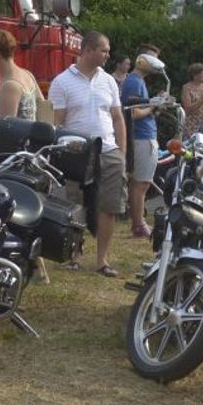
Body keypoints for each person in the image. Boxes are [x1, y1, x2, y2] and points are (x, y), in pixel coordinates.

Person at [48, 31, 127, 277]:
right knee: (76, 205)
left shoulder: (109, 81)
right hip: (77, 152)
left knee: (109, 206)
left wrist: (122, 154)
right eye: (104, 50)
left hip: (109, 150)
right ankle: (74, 255)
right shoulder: (62, 82)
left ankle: (102, 260)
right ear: (89, 50)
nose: (108, 55)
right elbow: (57, 123)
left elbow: (117, 118)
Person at [121, 52, 164, 239]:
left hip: (143, 135)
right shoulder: (134, 82)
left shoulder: (136, 81)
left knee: (138, 183)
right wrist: (153, 106)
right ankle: (139, 225)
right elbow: (131, 113)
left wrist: (155, 105)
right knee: (141, 184)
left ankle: (137, 223)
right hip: (142, 137)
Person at [0, 29, 40, 123]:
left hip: (18, 138)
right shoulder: (28, 75)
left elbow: (7, 130)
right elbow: (44, 107)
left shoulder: (9, 86)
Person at [180, 62, 203, 138]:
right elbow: (187, 109)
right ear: (195, 75)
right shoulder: (186, 88)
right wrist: (200, 101)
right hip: (192, 125)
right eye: (202, 73)